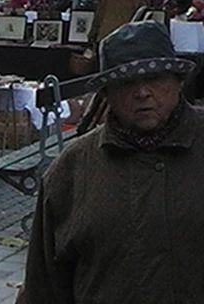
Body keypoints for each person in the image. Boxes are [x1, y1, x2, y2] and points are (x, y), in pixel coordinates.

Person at [19, 21, 203, 304]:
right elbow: (42, 285)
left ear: (178, 81)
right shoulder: (72, 170)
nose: (142, 92)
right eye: (126, 82)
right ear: (106, 94)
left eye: (154, 78)